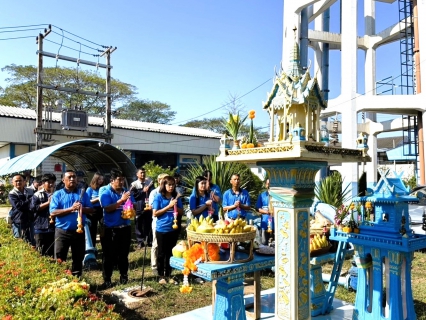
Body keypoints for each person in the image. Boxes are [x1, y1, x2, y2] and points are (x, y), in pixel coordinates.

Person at [50, 170, 93, 277]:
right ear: (64, 180)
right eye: (69, 177)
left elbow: (91, 209)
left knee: (78, 257)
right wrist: (71, 209)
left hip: (79, 231)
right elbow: (53, 212)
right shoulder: (58, 194)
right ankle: (60, 280)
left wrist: (81, 208)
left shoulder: (82, 193)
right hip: (62, 232)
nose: (72, 179)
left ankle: (77, 280)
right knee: (60, 258)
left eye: (74, 177)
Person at [99, 168, 135, 287]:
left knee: (123, 254)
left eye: (123, 179)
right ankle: (107, 279)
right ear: (112, 180)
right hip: (111, 229)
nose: (121, 182)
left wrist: (130, 205)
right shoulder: (105, 191)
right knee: (108, 255)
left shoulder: (125, 191)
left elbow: (132, 205)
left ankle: (124, 276)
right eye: (119, 180)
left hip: (125, 227)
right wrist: (121, 200)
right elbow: (107, 208)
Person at [152, 175, 183, 284]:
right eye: (169, 185)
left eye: (173, 185)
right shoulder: (158, 197)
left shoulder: (176, 197)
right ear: (164, 185)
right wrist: (169, 206)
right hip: (162, 229)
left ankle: (169, 274)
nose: (171, 187)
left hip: (173, 229)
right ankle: (161, 275)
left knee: (170, 252)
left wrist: (176, 205)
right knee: (161, 253)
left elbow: (182, 212)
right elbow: (155, 213)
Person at [30, 173, 56, 257]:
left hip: (54, 227)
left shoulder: (57, 194)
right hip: (40, 227)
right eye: (49, 182)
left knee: (52, 251)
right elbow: (33, 208)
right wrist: (48, 203)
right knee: (40, 250)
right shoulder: (37, 195)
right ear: (43, 183)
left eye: (53, 182)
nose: (51, 184)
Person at [148, 173, 168, 276]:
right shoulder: (154, 193)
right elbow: (153, 209)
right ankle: (154, 266)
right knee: (156, 244)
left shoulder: (170, 193)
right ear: (159, 181)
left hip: (168, 223)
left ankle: (164, 265)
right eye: (164, 180)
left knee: (166, 245)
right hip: (157, 222)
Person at [131, 168, 155, 248]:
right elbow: (134, 196)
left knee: (148, 223)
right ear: (137, 174)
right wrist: (142, 191)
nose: (143, 174)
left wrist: (149, 189)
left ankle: (148, 240)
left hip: (148, 206)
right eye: (141, 173)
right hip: (138, 206)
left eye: (144, 173)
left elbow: (153, 193)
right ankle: (140, 241)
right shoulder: (134, 184)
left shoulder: (149, 183)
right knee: (138, 224)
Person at [8, 173, 34, 245]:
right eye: (16, 181)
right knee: (19, 240)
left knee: (32, 240)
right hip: (18, 220)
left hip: (30, 219)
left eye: (20, 180)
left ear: (24, 182)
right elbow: (18, 206)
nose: (18, 182)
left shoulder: (30, 191)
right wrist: (29, 201)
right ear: (12, 182)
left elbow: (34, 203)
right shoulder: (12, 193)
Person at [85, 172, 105, 250]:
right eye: (99, 179)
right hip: (92, 211)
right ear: (95, 179)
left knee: (103, 227)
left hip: (101, 210)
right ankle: (92, 247)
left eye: (102, 179)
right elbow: (87, 201)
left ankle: (104, 246)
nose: (101, 181)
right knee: (92, 229)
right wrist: (97, 199)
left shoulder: (103, 189)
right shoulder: (90, 189)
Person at [255, 179, 273, 245]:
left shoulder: (277, 196)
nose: (269, 185)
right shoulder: (262, 195)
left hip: (275, 223)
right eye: (268, 183)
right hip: (265, 222)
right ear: (266, 185)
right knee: (264, 243)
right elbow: (258, 208)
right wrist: (266, 212)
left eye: (271, 183)